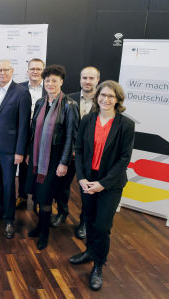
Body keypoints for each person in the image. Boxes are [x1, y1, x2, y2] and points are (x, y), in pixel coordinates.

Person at [69, 80, 135, 291]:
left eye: (111, 96)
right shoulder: (88, 119)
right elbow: (78, 150)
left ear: (118, 100)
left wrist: (103, 184)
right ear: (97, 97)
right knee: (88, 219)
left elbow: (124, 158)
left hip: (111, 183)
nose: (105, 99)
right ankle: (89, 252)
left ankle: (98, 265)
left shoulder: (126, 125)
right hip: (87, 180)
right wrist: (81, 178)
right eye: (103, 95)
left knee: (102, 226)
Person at [25, 65, 79, 250]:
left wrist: (64, 162)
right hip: (37, 158)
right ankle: (40, 226)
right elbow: (33, 132)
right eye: (47, 80)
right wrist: (28, 153)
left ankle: (45, 234)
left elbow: (72, 137)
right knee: (39, 196)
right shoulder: (40, 102)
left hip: (54, 159)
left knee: (46, 198)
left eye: (54, 80)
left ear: (61, 82)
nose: (50, 83)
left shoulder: (70, 105)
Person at [0, 60, 31, 239]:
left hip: (11, 148)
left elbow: (24, 125)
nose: (2, 73)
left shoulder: (22, 93)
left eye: (5, 70)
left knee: (9, 183)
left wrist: (20, 151)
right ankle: (0, 210)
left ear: (12, 71)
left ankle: (9, 219)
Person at [65, 66, 100, 238]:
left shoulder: (103, 102)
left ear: (97, 81)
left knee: (86, 191)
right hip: (69, 152)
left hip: (91, 156)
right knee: (63, 186)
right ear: (80, 80)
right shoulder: (68, 98)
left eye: (91, 78)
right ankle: (62, 213)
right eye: (84, 78)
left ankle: (84, 223)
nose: (87, 81)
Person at [17, 58, 45, 208]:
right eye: (32, 68)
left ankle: (38, 198)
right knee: (22, 167)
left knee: (40, 167)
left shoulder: (49, 88)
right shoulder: (18, 87)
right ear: (27, 71)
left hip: (41, 136)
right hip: (21, 133)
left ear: (43, 71)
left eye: (39, 69)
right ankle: (21, 196)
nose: (35, 71)